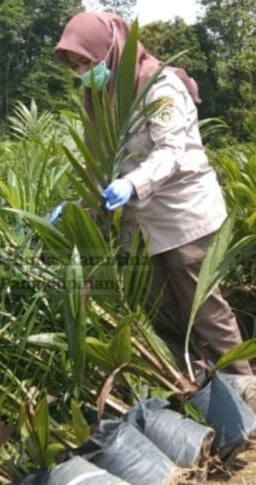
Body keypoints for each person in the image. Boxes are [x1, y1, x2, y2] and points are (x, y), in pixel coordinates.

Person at [48, 12, 254, 401]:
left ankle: (247, 395)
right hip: (140, 227)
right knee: (165, 317)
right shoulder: (99, 99)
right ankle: (204, 396)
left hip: (183, 216)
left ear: (110, 52)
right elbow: (100, 165)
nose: (82, 74)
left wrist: (132, 183)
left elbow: (170, 152)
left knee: (204, 311)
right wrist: (78, 207)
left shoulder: (160, 87)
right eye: (76, 67)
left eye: (86, 63)